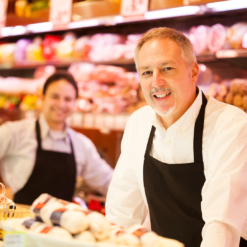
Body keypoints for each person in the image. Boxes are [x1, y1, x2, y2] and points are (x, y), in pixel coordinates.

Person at [105, 27, 247, 247]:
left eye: (167, 68)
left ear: (193, 72)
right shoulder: (138, 123)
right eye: (146, 72)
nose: (156, 82)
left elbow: (221, 225)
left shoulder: (230, 125)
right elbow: (121, 212)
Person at [0, 71, 113, 205]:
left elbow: (108, 181)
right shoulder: (13, 132)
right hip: (15, 224)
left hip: (59, 224)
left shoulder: (81, 145)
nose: (61, 104)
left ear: (74, 103)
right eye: (55, 96)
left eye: (68, 99)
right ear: (42, 98)